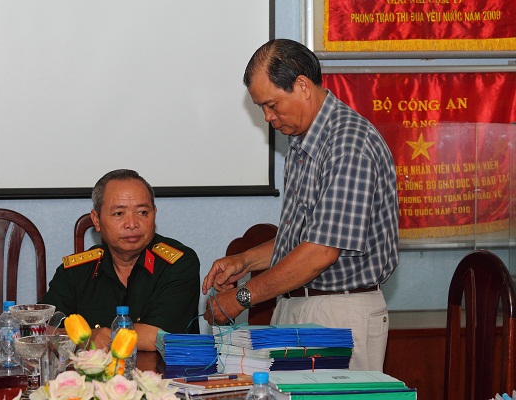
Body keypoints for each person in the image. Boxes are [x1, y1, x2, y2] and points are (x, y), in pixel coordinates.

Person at [202, 39, 399, 371]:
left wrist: (242, 297)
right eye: (262, 107)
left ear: (303, 86)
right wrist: (244, 261)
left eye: (272, 105)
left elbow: (320, 252)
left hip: (338, 314)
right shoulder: (302, 140)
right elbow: (300, 240)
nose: (268, 117)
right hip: (296, 305)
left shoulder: (348, 143)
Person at [43, 169, 200, 351]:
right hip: (92, 370)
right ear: (97, 220)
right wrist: (89, 337)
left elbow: (156, 337)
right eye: (119, 213)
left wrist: (102, 337)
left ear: (154, 214)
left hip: (163, 369)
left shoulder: (179, 263)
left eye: (142, 212)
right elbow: (43, 330)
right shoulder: (76, 271)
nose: (132, 224)